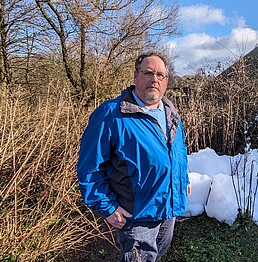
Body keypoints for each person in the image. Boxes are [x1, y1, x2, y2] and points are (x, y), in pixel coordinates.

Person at [77, 52, 190, 262]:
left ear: (166, 80)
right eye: (148, 73)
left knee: (155, 256)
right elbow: (89, 168)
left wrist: (183, 180)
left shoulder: (171, 112)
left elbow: (178, 153)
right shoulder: (111, 114)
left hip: (169, 210)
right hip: (136, 216)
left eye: (160, 75)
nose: (154, 79)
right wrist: (107, 207)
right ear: (135, 76)